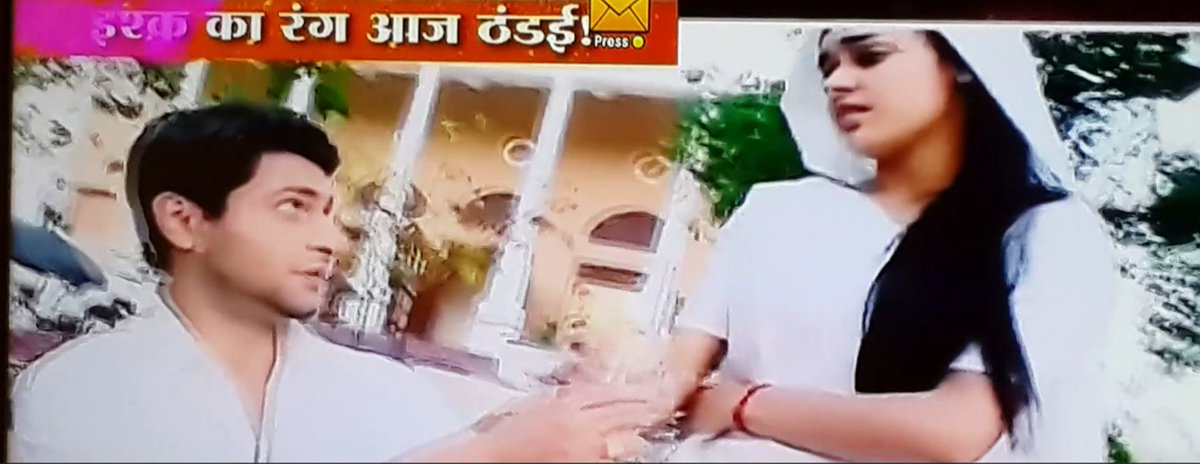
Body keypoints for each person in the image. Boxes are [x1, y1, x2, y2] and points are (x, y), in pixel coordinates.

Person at [10, 103, 657, 462]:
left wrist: (556, 432)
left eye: (329, 212)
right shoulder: (81, 387)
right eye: (293, 207)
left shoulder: (386, 391)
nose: (331, 241)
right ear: (184, 220)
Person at [655, 27, 1119, 462]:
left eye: (870, 56)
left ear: (961, 62)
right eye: (827, 67)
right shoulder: (772, 210)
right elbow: (675, 374)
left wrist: (745, 405)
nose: (837, 81)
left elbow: (954, 431)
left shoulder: (1044, 231)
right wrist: (630, 405)